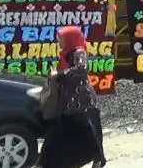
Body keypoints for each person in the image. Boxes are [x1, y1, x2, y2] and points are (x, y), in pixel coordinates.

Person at [37, 26, 107, 168]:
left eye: (61, 40)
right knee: (61, 134)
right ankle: (47, 162)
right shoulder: (66, 53)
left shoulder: (79, 52)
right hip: (67, 101)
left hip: (81, 102)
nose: (59, 43)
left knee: (89, 133)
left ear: (70, 39)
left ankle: (98, 159)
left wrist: (60, 75)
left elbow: (81, 69)